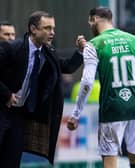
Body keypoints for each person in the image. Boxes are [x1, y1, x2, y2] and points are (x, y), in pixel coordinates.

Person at [67, 7, 135, 168]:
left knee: (110, 162)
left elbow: (87, 82)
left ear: (94, 19)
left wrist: (76, 114)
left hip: (112, 108)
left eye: (90, 22)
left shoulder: (94, 45)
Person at [0, 11, 85, 168]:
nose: (52, 33)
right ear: (33, 29)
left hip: (19, 115)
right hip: (2, 109)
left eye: (53, 28)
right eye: (47, 28)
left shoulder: (47, 52)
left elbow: (66, 66)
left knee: (11, 162)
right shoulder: (13, 47)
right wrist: (6, 94)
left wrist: (80, 51)